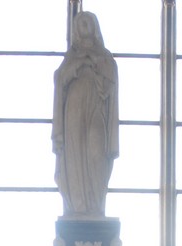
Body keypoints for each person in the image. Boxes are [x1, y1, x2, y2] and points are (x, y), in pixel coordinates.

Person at [52, 11, 118, 218]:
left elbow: (110, 85)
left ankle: (96, 205)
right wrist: (79, 64)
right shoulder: (71, 56)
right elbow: (60, 79)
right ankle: (78, 206)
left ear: (95, 26)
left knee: (96, 151)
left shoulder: (105, 56)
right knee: (74, 152)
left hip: (96, 109)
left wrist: (96, 63)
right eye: (80, 22)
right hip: (73, 109)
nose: (84, 25)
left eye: (88, 21)